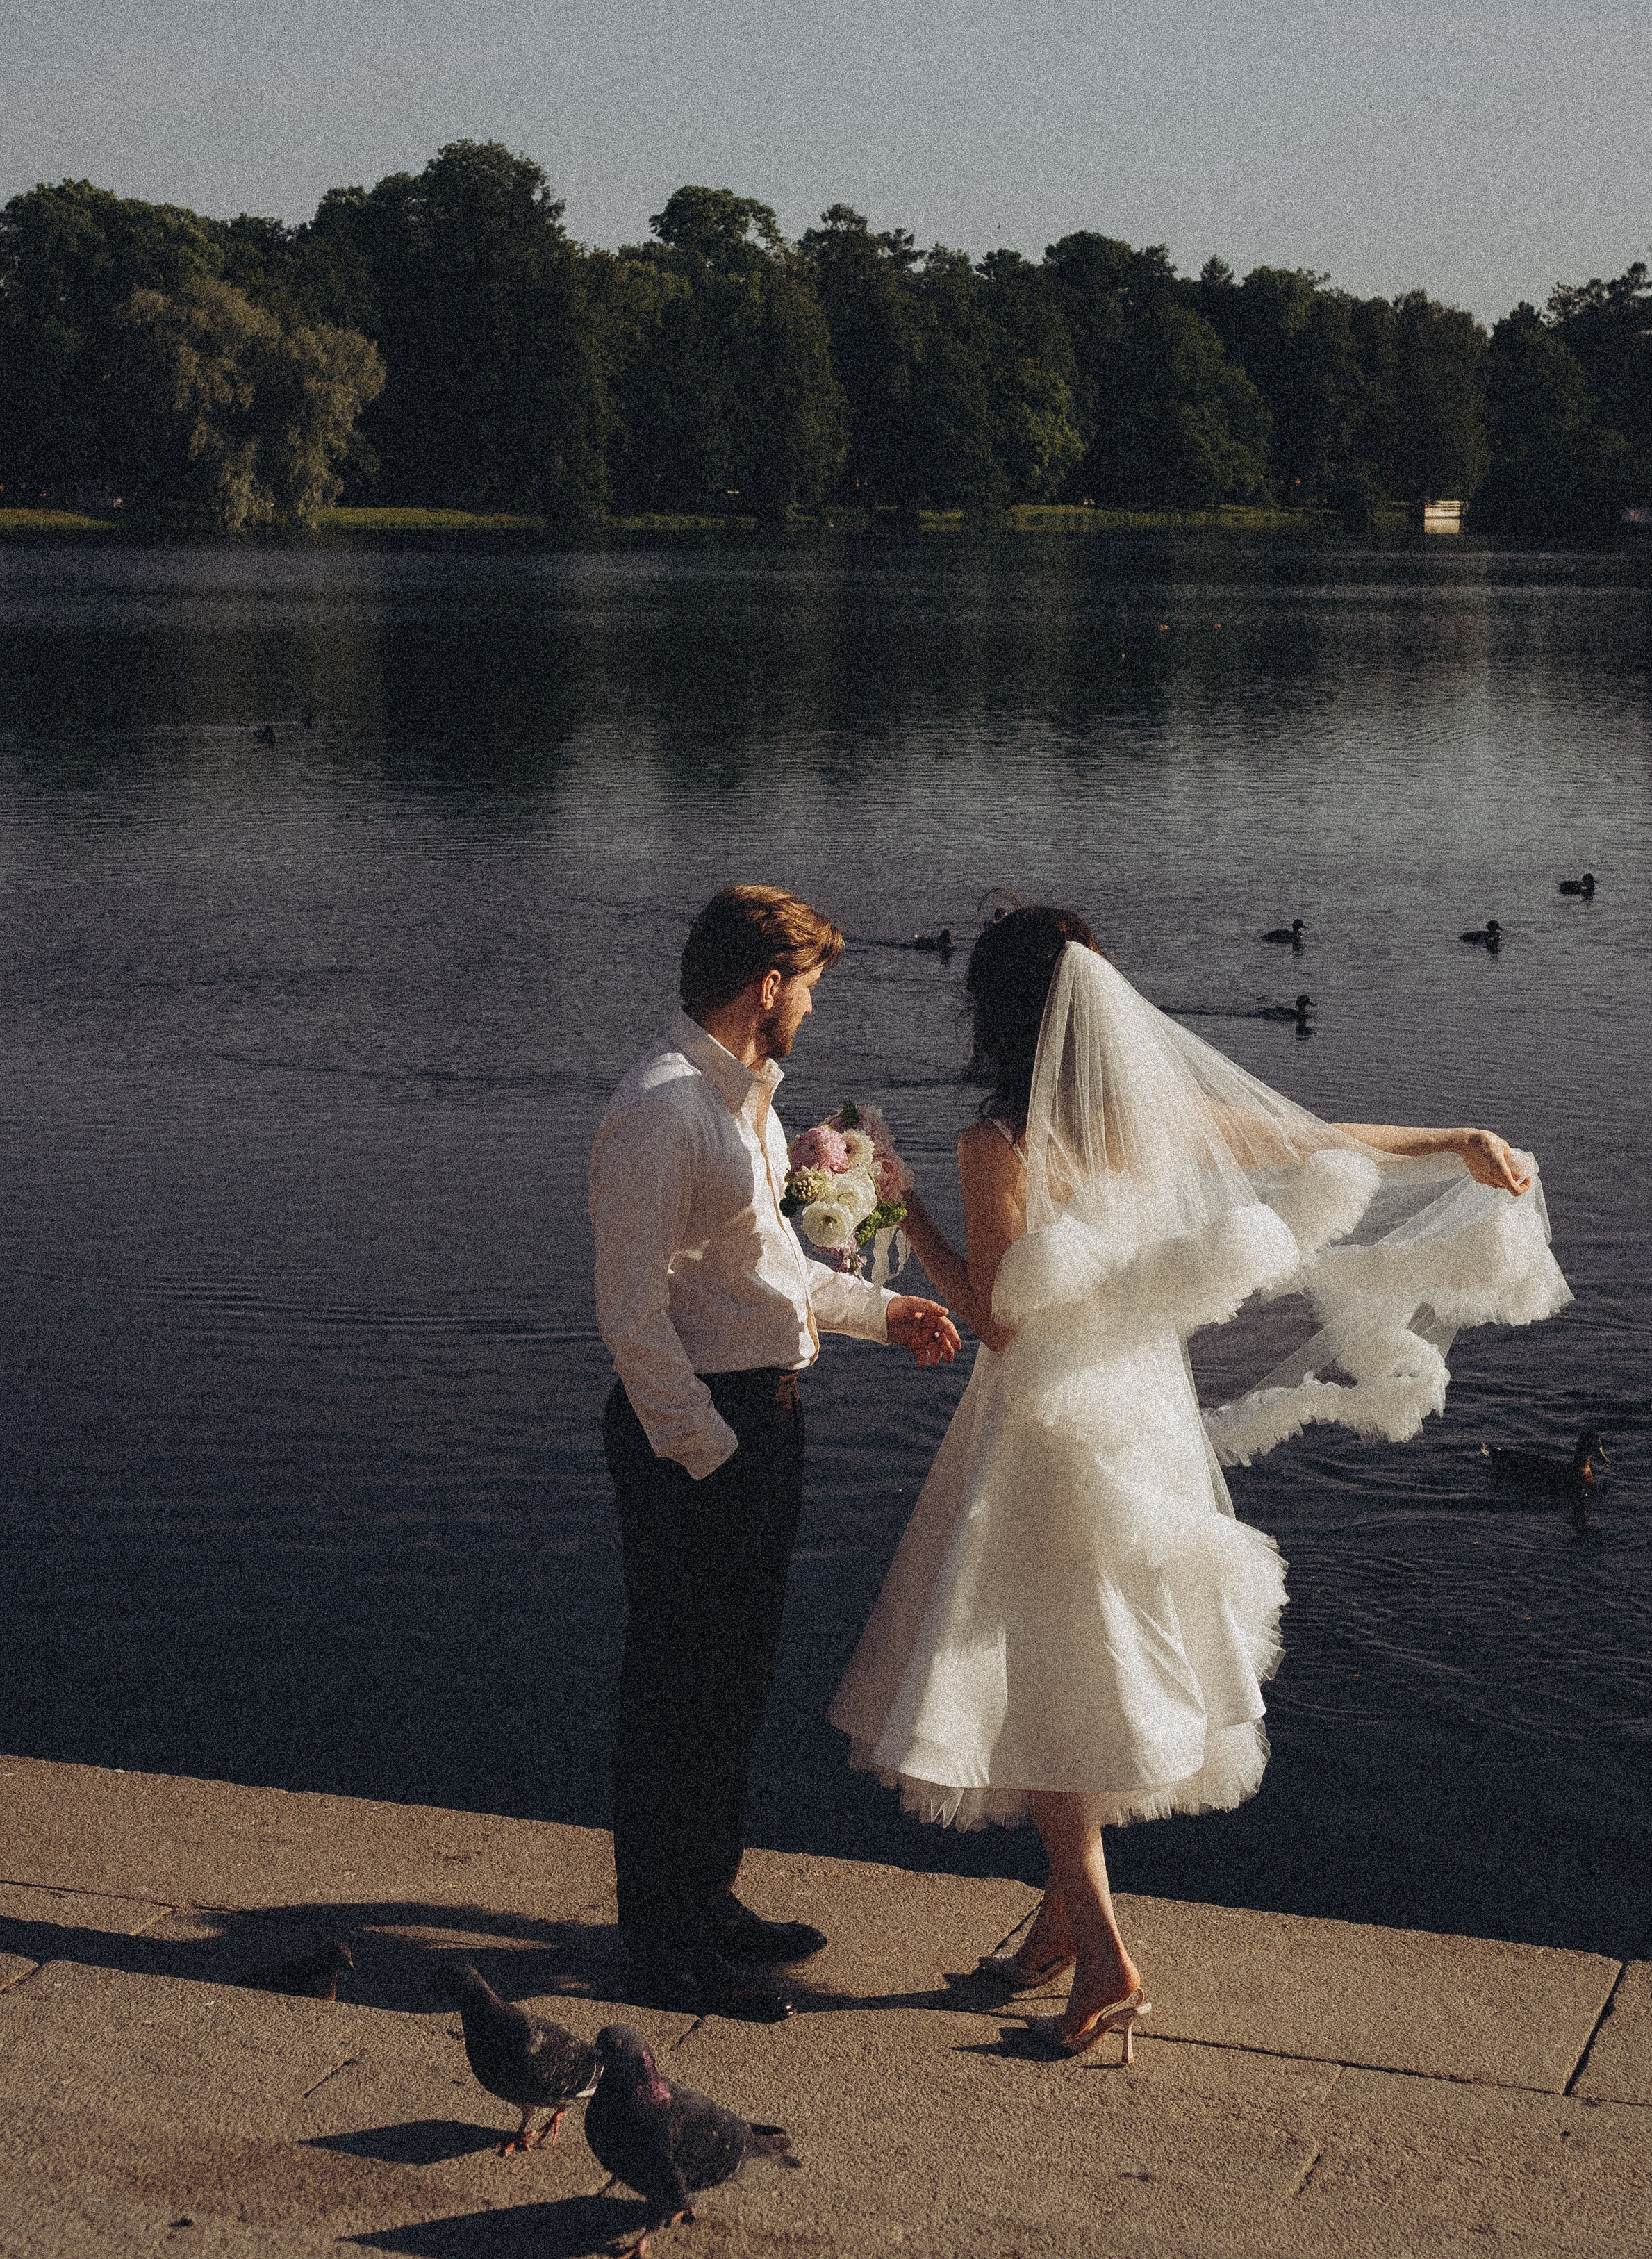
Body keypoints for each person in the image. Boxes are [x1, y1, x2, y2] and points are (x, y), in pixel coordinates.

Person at [830, 904, 1568, 2062]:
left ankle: (1108, 1961)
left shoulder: (998, 1147)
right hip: (1146, 1418)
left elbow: (1001, 1323)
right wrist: (1454, 1136)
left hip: (1045, 1429)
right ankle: (1057, 1933)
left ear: (998, 1015)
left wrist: (901, 1204)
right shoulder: (1159, 1119)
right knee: (1090, 1655)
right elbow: (1321, 1139)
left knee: (1040, 1673)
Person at [590, 884, 959, 2021]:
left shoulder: (742, 1104)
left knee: (733, 1683)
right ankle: (663, 1948)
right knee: (677, 1692)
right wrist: (709, 1452)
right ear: (767, 987)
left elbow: (761, 1274)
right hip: (697, 1433)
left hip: (757, 1417)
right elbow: (630, 1316)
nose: (810, 1007)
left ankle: (707, 1903)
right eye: (807, 987)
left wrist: (876, 1309)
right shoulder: (662, 1110)